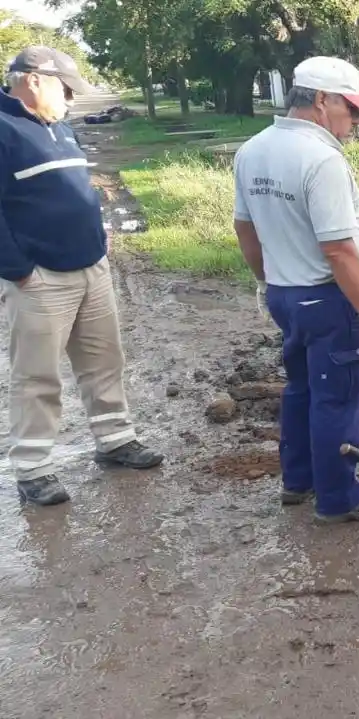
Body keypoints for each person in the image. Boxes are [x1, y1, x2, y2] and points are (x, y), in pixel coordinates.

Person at [231, 56, 359, 523]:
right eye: (352, 109)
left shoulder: (253, 149)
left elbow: (244, 229)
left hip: (286, 295)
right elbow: (340, 250)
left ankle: (298, 481)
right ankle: (339, 499)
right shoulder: (321, 159)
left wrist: (267, 281)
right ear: (322, 101)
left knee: (301, 390)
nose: (357, 121)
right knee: (338, 401)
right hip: (327, 300)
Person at [0, 46, 164, 507]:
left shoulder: (60, 127)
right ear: (33, 80)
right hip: (41, 278)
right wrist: (18, 270)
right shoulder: (4, 130)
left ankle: (115, 440)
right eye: (66, 88)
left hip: (91, 267)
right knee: (36, 376)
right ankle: (33, 468)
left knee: (103, 362)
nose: (72, 98)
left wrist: (99, 234)